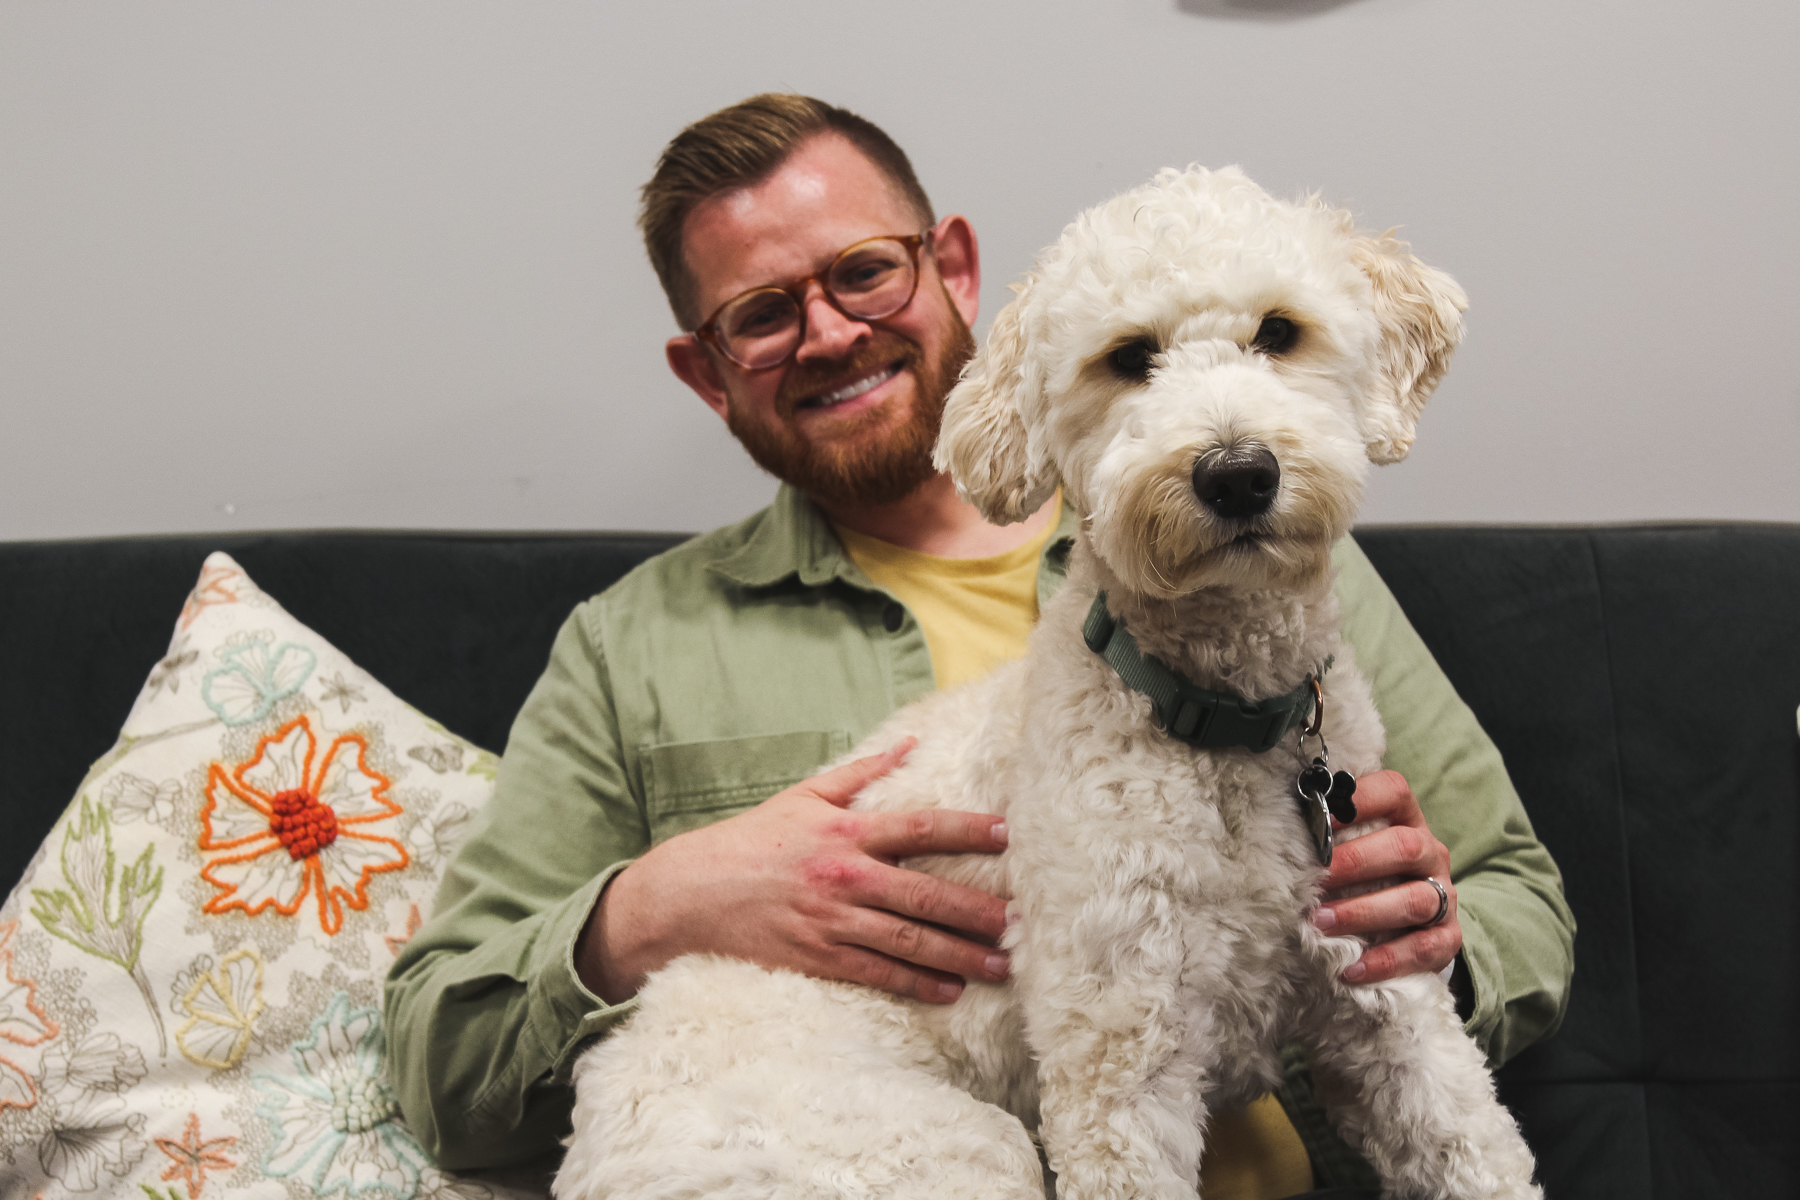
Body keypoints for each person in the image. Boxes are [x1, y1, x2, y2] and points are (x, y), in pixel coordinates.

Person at [385, 94, 1574, 1197]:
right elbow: (445, 1063)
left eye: (862, 271)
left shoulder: (1277, 554)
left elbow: (1520, 903)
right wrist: (649, 908)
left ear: (950, 265)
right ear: (705, 374)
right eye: (759, 315)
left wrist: (1425, 941)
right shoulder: (629, 645)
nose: (828, 332)